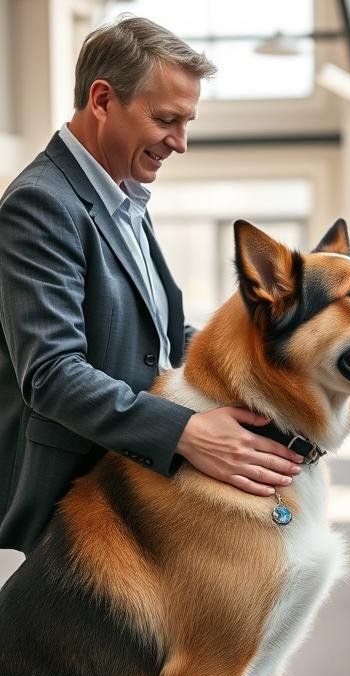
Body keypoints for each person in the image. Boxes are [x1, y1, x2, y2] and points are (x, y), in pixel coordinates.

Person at [0, 15, 304, 554]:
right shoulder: (42, 203)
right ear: (101, 100)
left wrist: (259, 373)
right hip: (67, 495)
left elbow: (157, 338)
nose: (180, 143)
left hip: (126, 474)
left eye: (187, 122)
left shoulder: (125, 199)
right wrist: (186, 433)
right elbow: (51, 374)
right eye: (166, 119)